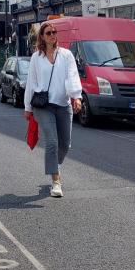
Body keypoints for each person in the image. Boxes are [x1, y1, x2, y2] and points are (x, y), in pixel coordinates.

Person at [24, 21, 82, 197]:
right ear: (42, 36)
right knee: (52, 142)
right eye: (48, 33)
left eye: (54, 32)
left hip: (63, 104)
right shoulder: (36, 57)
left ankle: (54, 166)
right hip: (43, 105)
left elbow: (72, 76)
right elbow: (31, 82)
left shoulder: (66, 55)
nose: (52, 35)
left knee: (65, 145)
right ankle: (56, 181)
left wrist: (76, 96)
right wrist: (28, 107)